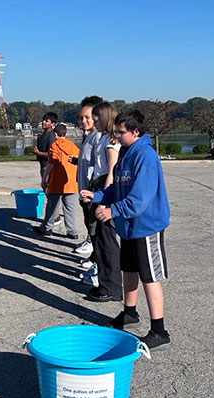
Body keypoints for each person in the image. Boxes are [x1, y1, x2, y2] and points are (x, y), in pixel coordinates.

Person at [80, 110, 170, 351]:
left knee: (149, 277)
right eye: (116, 132)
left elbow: (140, 198)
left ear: (135, 132)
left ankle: (159, 331)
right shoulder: (126, 154)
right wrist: (97, 196)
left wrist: (112, 211)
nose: (117, 137)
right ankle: (129, 313)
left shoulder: (146, 156)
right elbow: (116, 188)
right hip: (128, 226)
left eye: (121, 133)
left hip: (146, 226)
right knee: (128, 269)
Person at [86, 101, 122, 302]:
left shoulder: (111, 141)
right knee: (99, 241)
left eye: (96, 118)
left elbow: (111, 172)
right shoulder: (101, 138)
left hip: (104, 190)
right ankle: (104, 282)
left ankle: (112, 287)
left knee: (106, 241)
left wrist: (104, 201)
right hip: (97, 188)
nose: (94, 121)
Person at [33, 123, 79, 238]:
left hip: (57, 181)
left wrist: (44, 179)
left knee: (52, 206)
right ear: (65, 133)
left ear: (55, 134)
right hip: (71, 182)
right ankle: (72, 231)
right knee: (70, 208)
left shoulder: (55, 146)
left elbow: (51, 164)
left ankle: (47, 227)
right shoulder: (73, 146)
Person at [70, 96, 102, 259]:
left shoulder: (97, 137)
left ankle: (96, 260)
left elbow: (99, 166)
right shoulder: (88, 136)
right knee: (89, 224)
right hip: (83, 190)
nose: (83, 120)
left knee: (95, 228)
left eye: (87, 117)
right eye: (81, 118)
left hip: (91, 192)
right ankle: (94, 256)